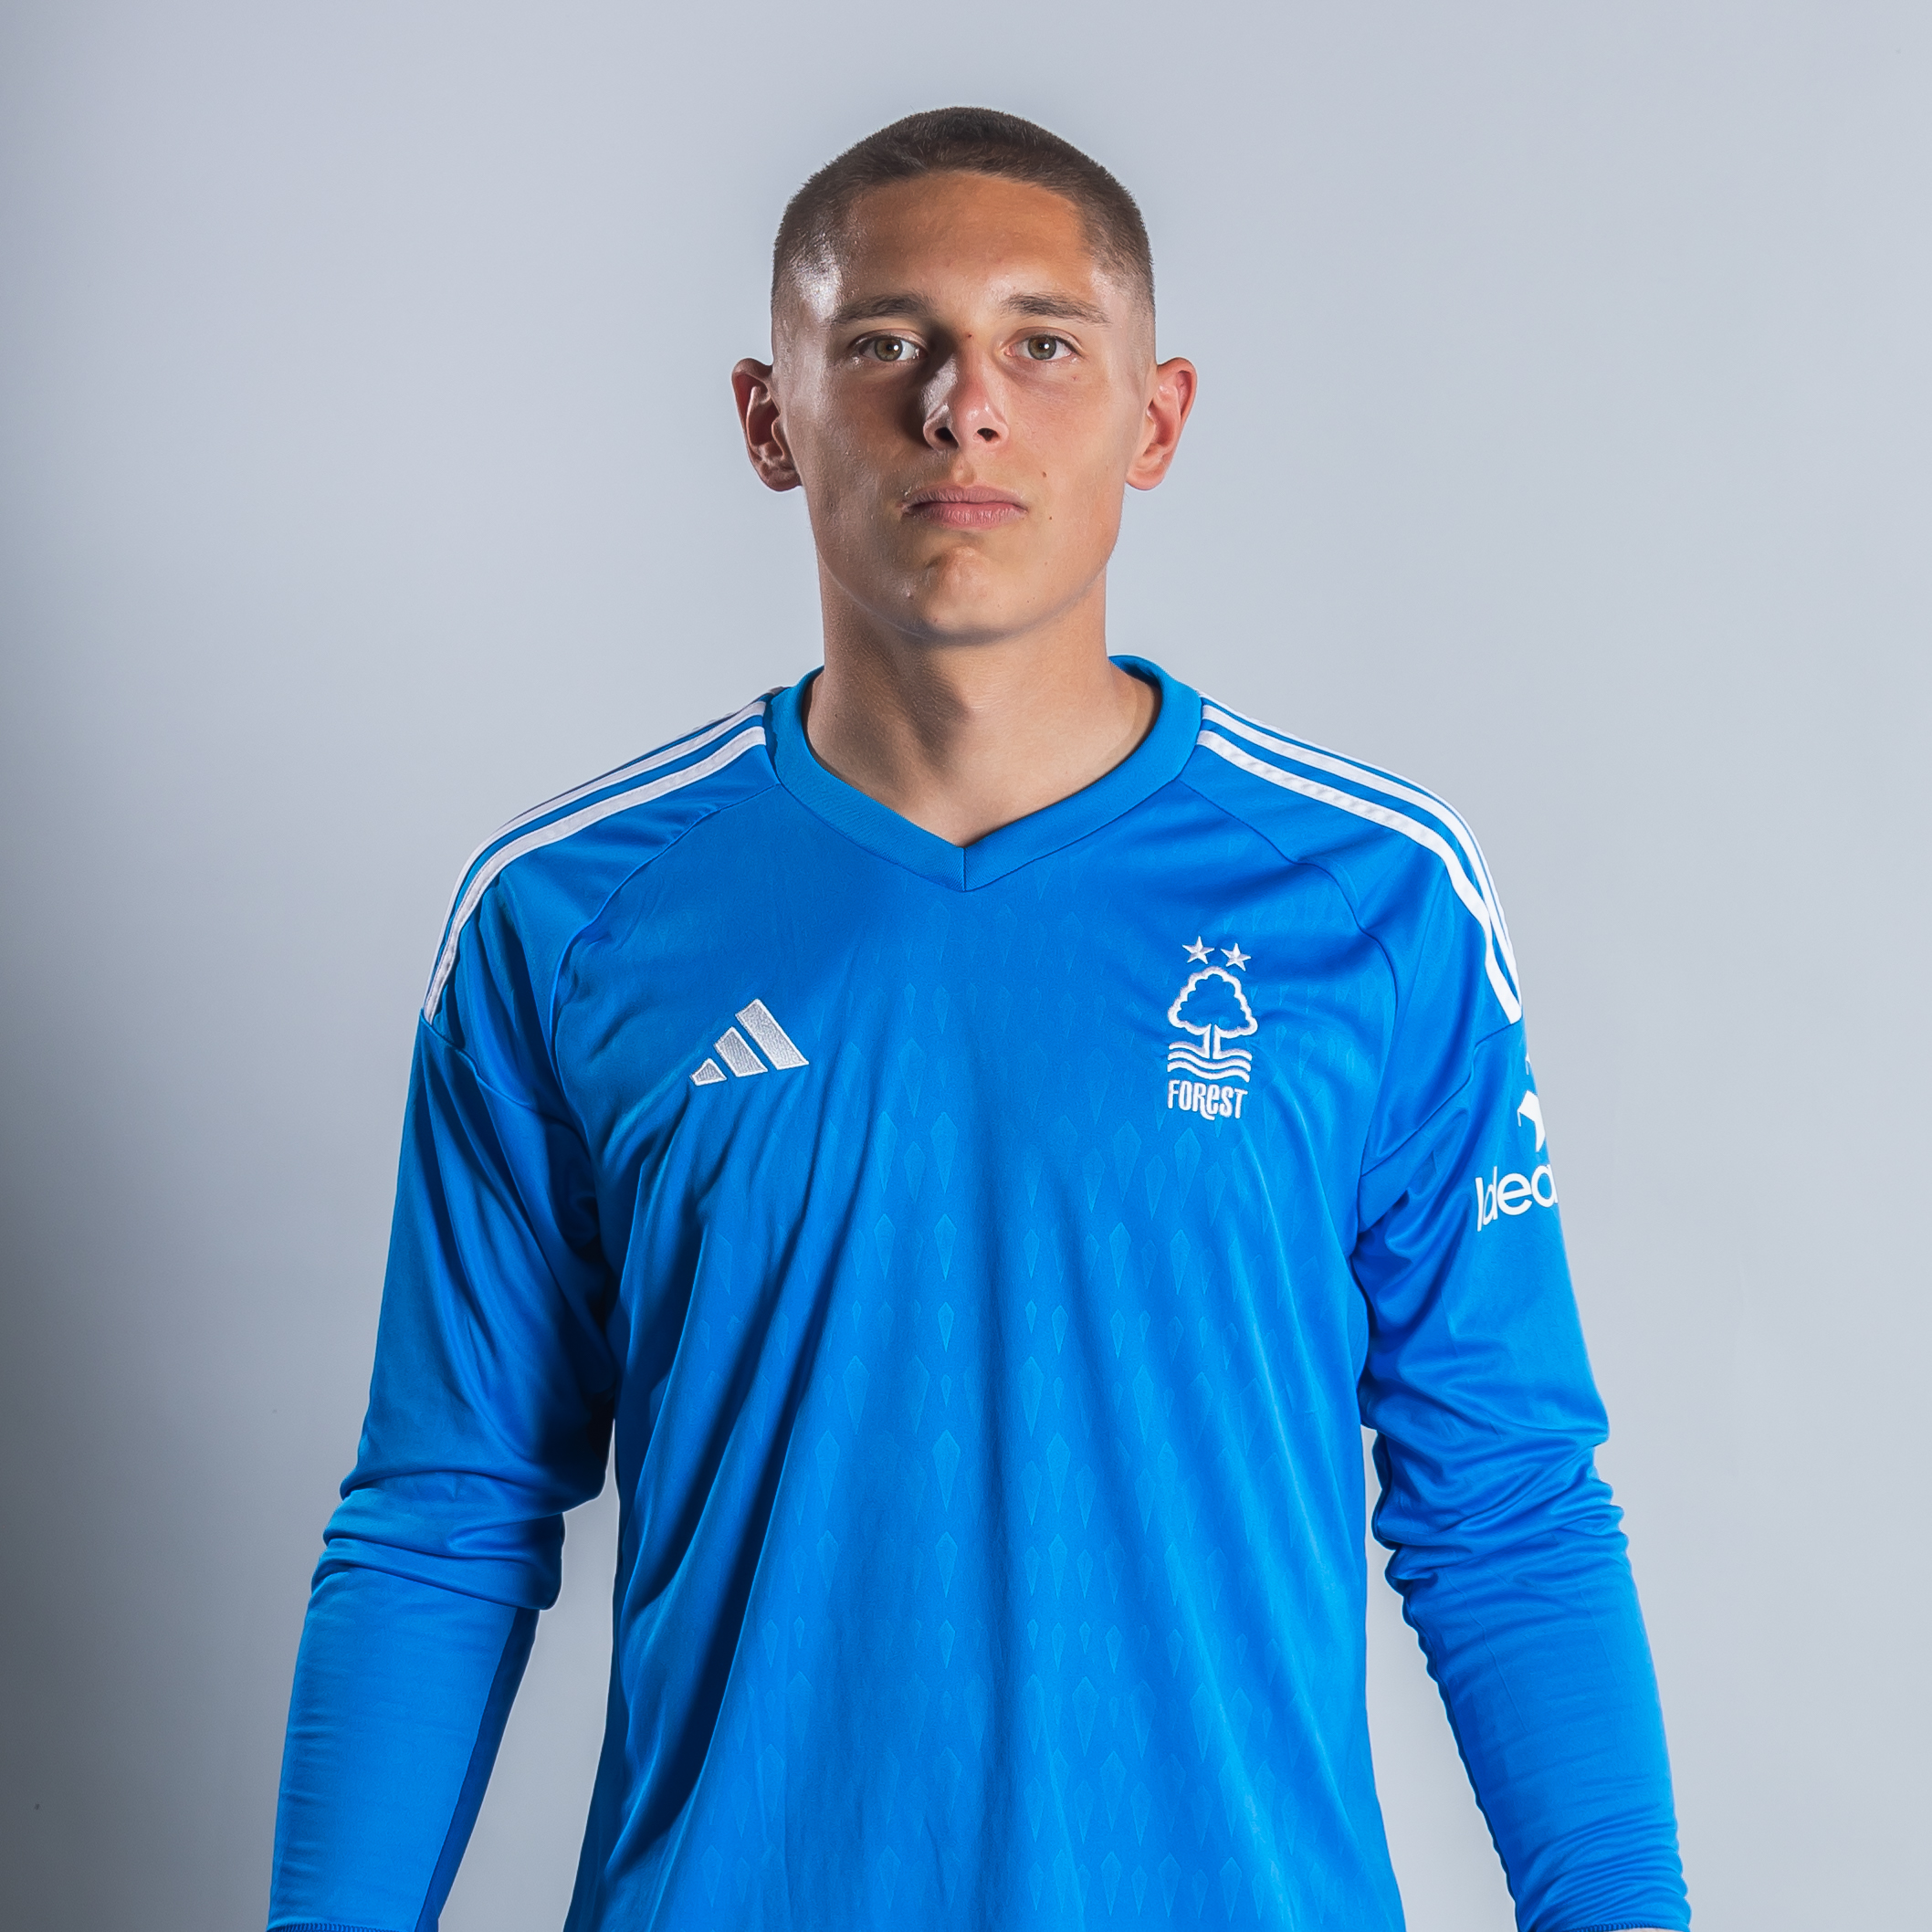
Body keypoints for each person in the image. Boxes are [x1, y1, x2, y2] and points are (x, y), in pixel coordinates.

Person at [268, 108, 1689, 1932]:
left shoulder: (1376, 901)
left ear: (1155, 418)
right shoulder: (568, 918)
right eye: (885, 342)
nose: (964, 407)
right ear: (767, 418)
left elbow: (1504, 1505)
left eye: (1043, 342)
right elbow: (446, 1514)